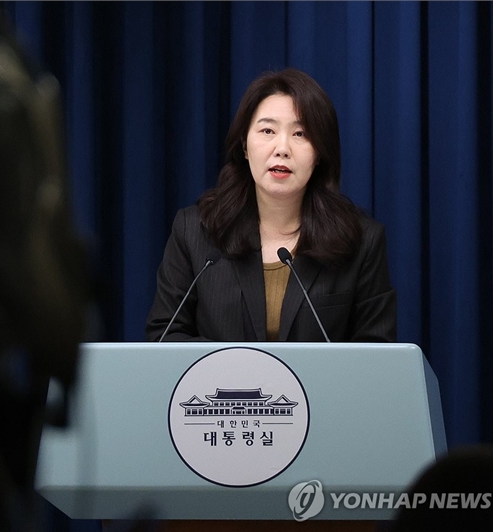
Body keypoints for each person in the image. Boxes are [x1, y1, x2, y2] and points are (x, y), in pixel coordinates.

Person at [146, 68, 397, 343]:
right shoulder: (195, 231)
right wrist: (236, 363)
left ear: (319, 154)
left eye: (300, 134)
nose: (282, 148)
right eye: (268, 130)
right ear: (244, 145)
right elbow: (164, 336)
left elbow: (376, 352)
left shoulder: (361, 242)